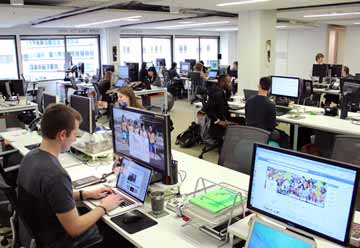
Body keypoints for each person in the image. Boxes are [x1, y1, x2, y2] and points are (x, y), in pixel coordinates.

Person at [17, 104, 123, 247]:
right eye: (74, 134)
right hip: (59, 241)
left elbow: (48, 197)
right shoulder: (56, 175)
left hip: (42, 232)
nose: (75, 139)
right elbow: (75, 228)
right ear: (62, 135)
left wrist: (84, 194)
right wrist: (104, 207)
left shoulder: (31, 157)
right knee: (117, 234)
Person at [203, 74, 234, 145]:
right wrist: (218, 121)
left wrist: (229, 89)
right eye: (229, 82)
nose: (230, 84)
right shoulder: (217, 93)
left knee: (240, 119)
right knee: (241, 122)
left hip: (221, 119)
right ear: (222, 82)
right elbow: (207, 109)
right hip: (218, 125)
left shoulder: (219, 90)